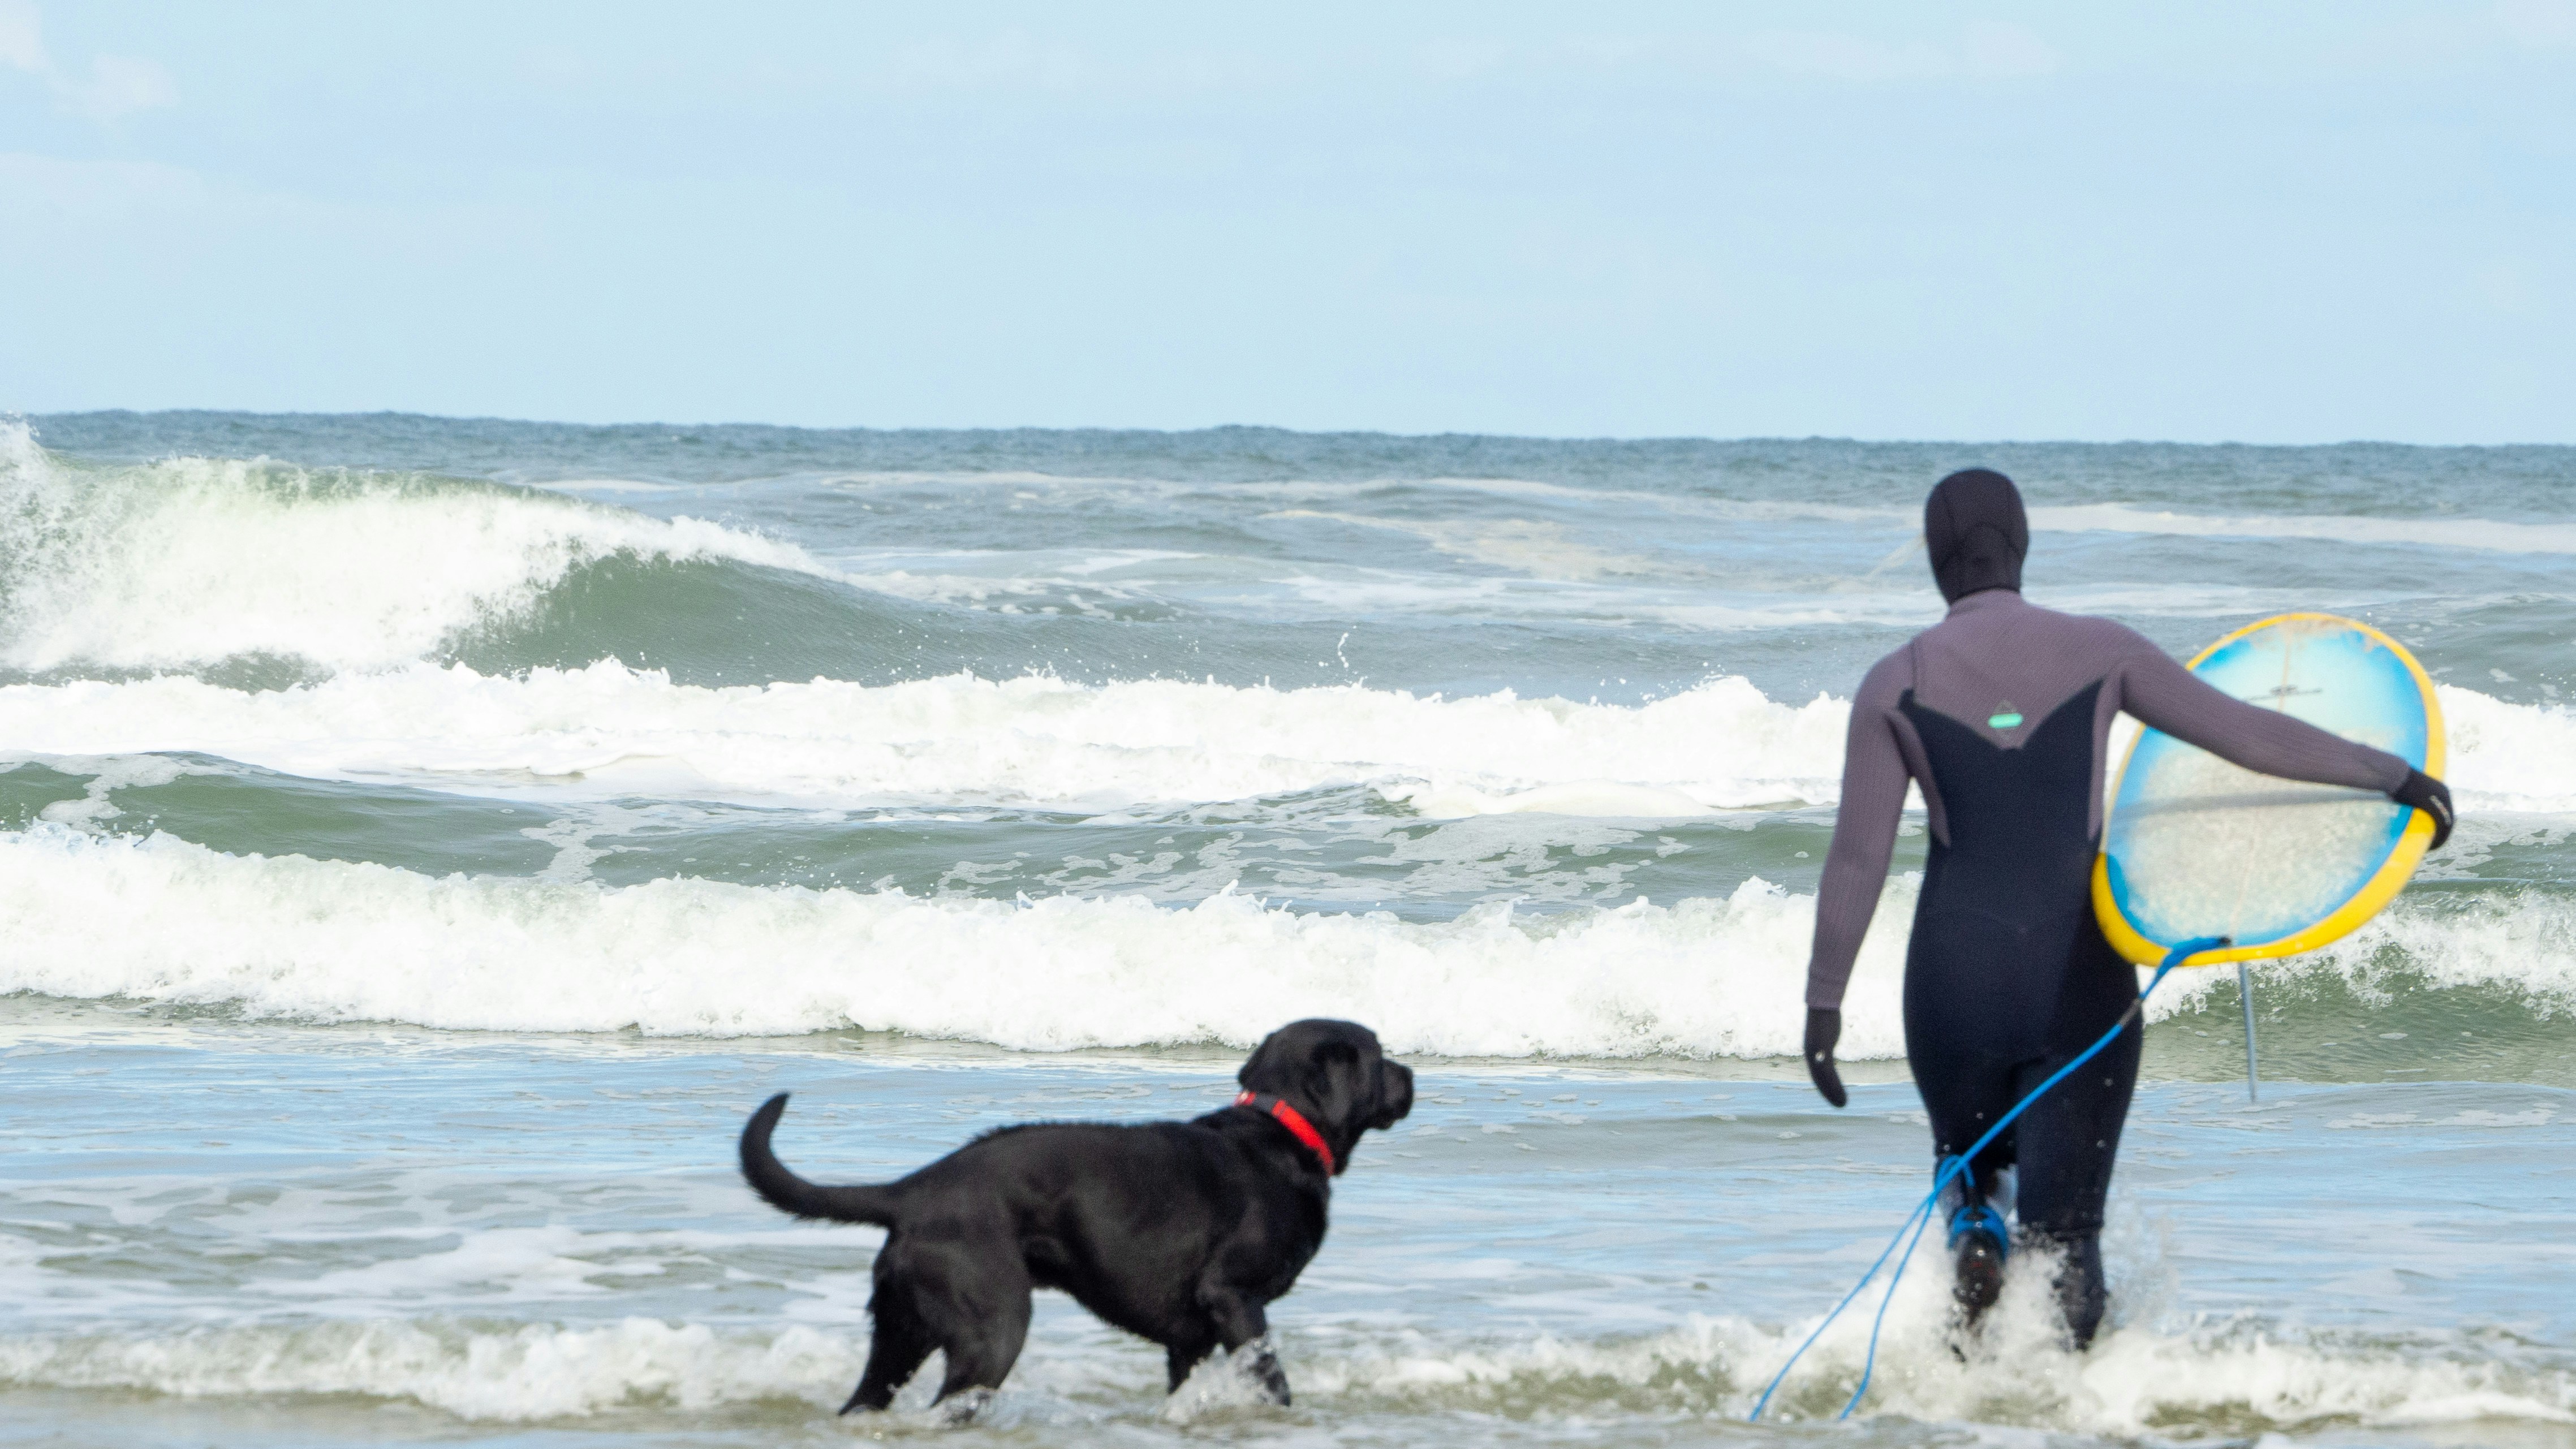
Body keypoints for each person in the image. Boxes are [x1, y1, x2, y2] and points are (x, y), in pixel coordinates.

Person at [1798, 468, 2454, 1347]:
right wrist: (2396, 776)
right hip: (2075, 980)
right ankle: (2075, 1410)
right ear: (2019, 546)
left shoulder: (1893, 682)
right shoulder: (2102, 650)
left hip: (1950, 986)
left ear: (1937, 562)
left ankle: (1969, 1255)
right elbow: (2249, 736)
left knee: (1966, 1169)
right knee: (2065, 1237)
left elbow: (1857, 856)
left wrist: (1822, 1004)